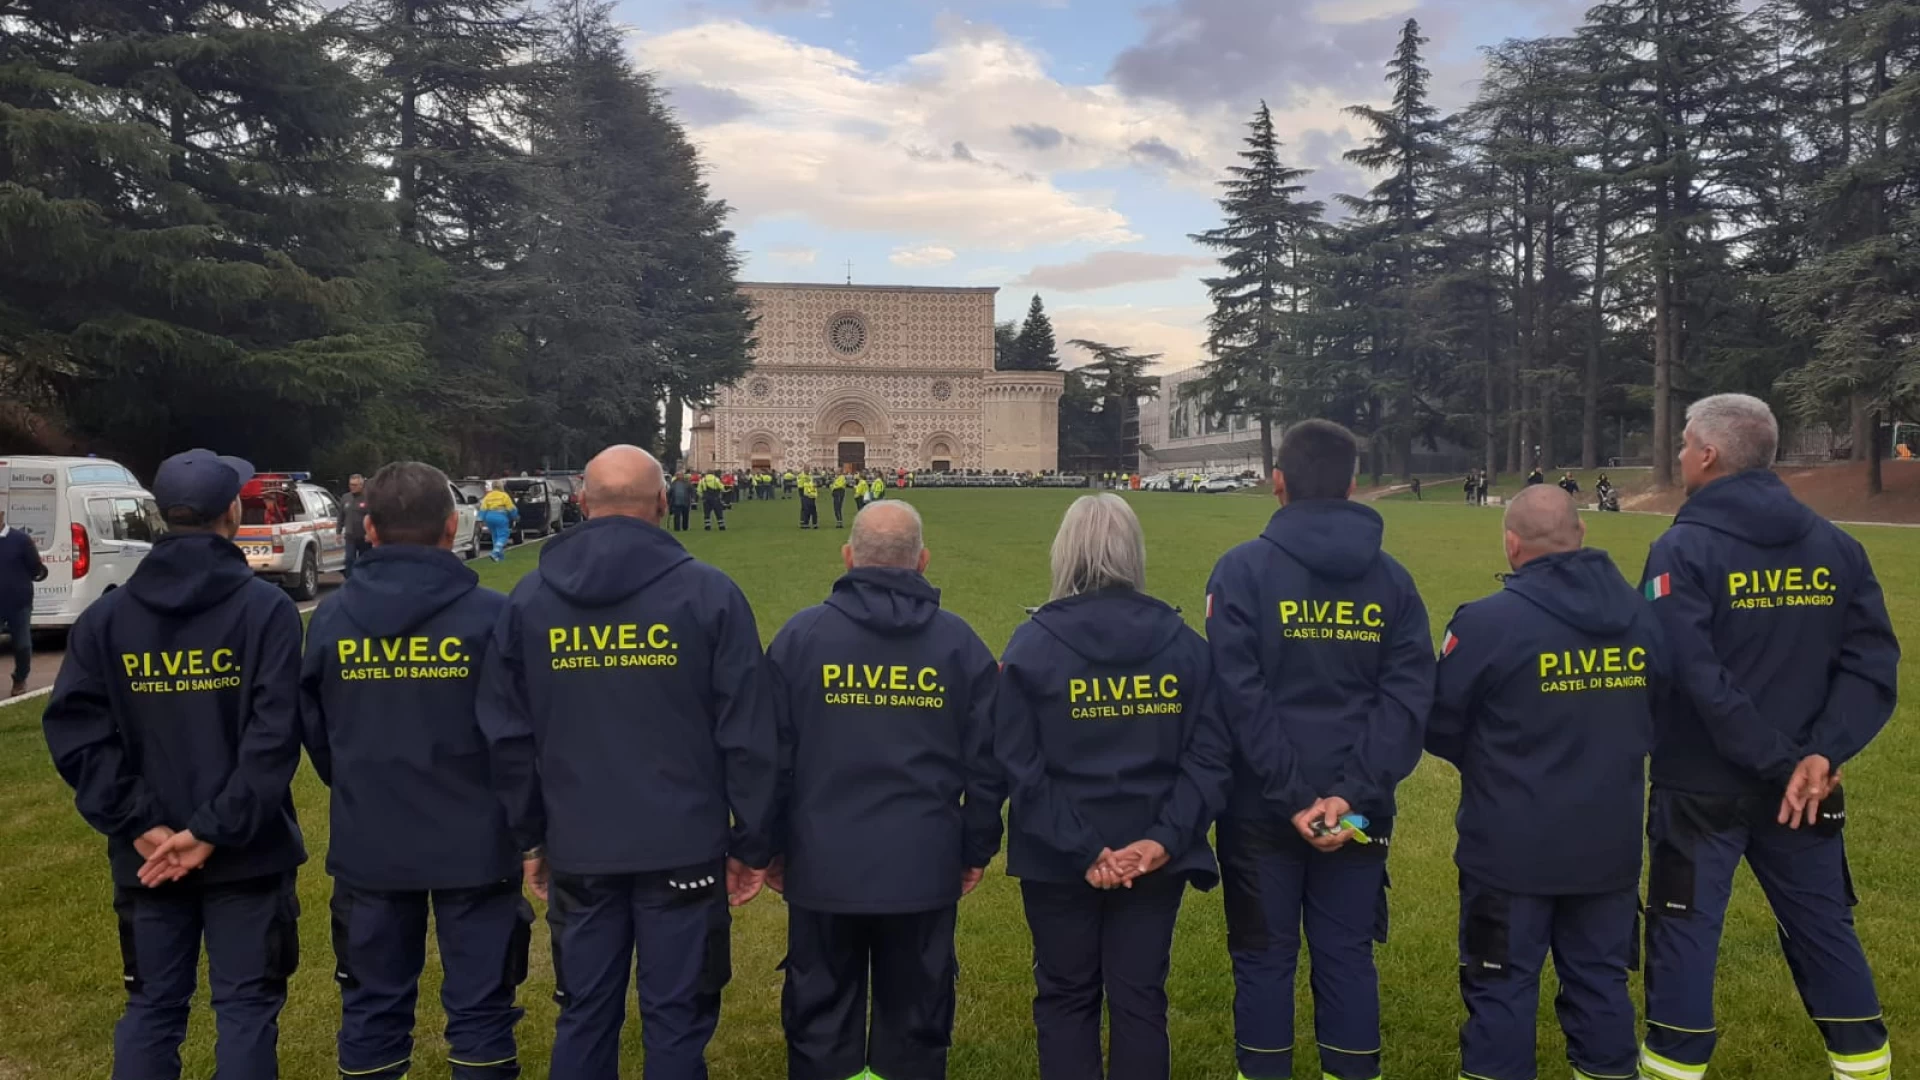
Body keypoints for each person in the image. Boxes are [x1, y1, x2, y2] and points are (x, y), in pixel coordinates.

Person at [478, 445, 777, 1080]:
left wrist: (531, 837)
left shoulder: (529, 602)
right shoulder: (711, 595)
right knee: (675, 1020)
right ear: (665, 504)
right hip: (682, 847)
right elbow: (749, 736)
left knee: (585, 1013)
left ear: (582, 505)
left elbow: (507, 738)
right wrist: (752, 842)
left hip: (580, 847)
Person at [1637, 394, 1899, 1080]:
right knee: (1825, 931)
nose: (1680, 454)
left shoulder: (1682, 548)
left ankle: (1672, 1068)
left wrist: (1789, 760)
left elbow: (1687, 673)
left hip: (1703, 788)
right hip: (1807, 788)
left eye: (1685, 443)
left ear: (1709, 454)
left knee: (1684, 933)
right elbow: (1872, 666)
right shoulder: (1838, 545)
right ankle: (1865, 1066)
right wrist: (1820, 754)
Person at [42, 449, 306, 1080]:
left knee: (153, 1007)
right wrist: (211, 829)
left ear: (163, 517)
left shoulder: (106, 618)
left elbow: (78, 734)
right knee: (245, 1008)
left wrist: (140, 824)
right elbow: (273, 739)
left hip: (150, 857)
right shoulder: (267, 612)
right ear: (233, 513)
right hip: (243, 851)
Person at [1204, 419, 1434, 1080]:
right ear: (1354, 485)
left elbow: (1239, 696)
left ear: (1277, 484)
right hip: (1359, 817)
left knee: (1263, 956)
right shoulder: (1394, 581)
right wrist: (1349, 797)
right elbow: (1407, 701)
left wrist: (1297, 797)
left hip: (1260, 811)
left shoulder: (1240, 571)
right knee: (1346, 952)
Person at [1426, 485, 1667, 1080]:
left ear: (1511, 544)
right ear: (1581, 535)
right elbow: (1661, 711)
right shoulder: (1645, 617)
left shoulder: (1484, 624)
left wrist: (1498, 763)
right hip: (1607, 845)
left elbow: (1439, 725)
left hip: (1509, 848)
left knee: (1499, 986)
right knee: (1601, 984)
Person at [300, 461, 530, 1080]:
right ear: (453, 526)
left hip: (372, 836)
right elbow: (517, 735)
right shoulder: (493, 615)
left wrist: (358, 782)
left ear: (368, 528)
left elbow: (317, 733)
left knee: (373, 1007)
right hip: (476, 838)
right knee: (483, 1009)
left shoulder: (332, 619)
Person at [763, 501, 1001, 1080]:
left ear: (848, 557)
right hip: (921, 863)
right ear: (922, 561)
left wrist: (766, 845)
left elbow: (768, 760)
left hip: (824, 864)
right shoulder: (960, 646)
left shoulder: (802, 638)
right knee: (916, 1020)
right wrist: (974, 847)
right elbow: (990, 767)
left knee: (821, 1015)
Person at [997, 494, 1231, 1080]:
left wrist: (1086, 849)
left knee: (1066, 995)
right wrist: (1162, 841)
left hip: (1060, 855)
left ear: (1064, 553)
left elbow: (1019, 769)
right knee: (1140, 998)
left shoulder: (1031, 646)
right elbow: (1209, 759)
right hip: (1149, 854)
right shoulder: (1186, 649)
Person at [1, 505, 48, 697]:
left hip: (19, 602)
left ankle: (20, 678)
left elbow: (35, 568)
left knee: (23, 645)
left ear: (2, 514)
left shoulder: (21, 540)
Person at [340, 473, 371, 579]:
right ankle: (349, 581)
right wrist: (338, 532)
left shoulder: (368, 498)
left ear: (361, 485)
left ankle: (364, 579)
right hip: (350, 535)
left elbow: (373, 517)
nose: (352, 487)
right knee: (349, 559)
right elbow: (341, 516)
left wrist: (370, 533)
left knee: (364, 560)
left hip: (364, 536)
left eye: (355, 485)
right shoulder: (345, 498)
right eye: (350, 484)